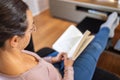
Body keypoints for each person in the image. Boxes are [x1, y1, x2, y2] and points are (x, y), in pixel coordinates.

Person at [0, 0, 119, 80]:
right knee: (94, 47)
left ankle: (107, 30)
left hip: (53, 66)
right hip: (66, 76)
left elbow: (37, 62)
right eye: (31, 28)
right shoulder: (31, 77)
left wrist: (52, 59)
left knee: (79, 45)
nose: (34, 30)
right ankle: (106, 29)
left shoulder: (11, 52)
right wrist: (68, 68)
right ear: (14, 40)